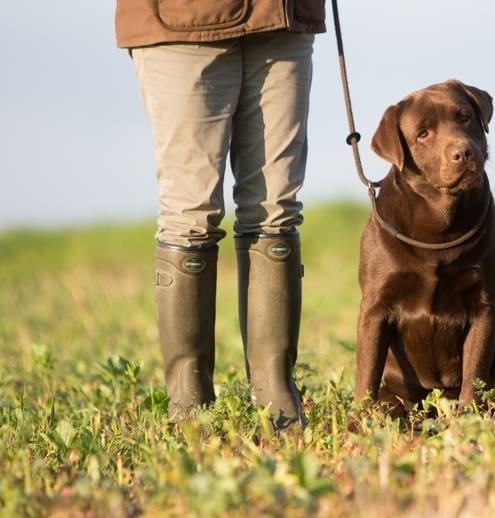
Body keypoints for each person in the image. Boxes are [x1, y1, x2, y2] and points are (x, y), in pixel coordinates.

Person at [115, 1, 326, 429]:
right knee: (190, 215)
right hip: (181, 21)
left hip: (285, 18)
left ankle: (276, 396)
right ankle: (190, 406)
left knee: (277, 211)